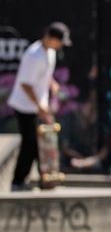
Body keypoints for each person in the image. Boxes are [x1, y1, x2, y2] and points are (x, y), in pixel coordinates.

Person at [7, 22, 69, 191]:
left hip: (37, 105)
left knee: (43, 142)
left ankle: (45, 180)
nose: (60, 45)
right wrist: (39, 106)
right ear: (49, 37)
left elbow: (44, 74)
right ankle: (17, 181)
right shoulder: (33, 55)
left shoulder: (50, 53)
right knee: (30, 143)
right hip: (24, 106)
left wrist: (52, 83)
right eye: (59, 41)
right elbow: (25, 84)